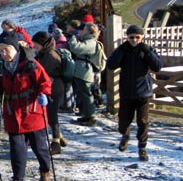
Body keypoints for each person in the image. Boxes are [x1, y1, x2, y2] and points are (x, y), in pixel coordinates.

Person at [0, 32, 52, 181]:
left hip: (32, 113)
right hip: (12, 115)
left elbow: (44, 82)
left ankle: (45, 170)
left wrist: (44, 93)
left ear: (16, 48)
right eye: (0, 50)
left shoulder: (31, 64)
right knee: (17, 151)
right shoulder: (1, 68)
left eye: (6, 49)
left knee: (40, 148)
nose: (3, 53)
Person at [106, 24, 163, 161]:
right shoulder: (123, 50)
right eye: (132, 37)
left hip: (143, 91)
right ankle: (125, 135)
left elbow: (157, 67)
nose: (135, 40)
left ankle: (142, 147)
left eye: (138, 37)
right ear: (127, 37)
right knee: (123, 121)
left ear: (142, 37)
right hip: (127, 91)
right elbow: (111, 65)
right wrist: (120, 50)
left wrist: (148, 52)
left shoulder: (147, 50)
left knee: (143, 121)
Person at [32, 31, 66, 154]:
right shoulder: (44, 53)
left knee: (51, 115)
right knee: (50, 114)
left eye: (36, 43)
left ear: (42, 43)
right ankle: (59, 136)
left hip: (54, 88)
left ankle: (56, 143)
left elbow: (42, 72)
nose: (34, 46)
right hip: (52, 87)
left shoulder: (49, 55)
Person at [68, 22, 100, 126]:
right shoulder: (87, 41)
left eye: (84, 29)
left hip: (85, 72)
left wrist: (72, 38)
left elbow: (76, 48)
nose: (81, 31)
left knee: (86, 94)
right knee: (83, 93)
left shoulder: (91, 42)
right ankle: (86, 115)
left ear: (89, 31)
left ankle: (91, 117)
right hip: (82, 70)